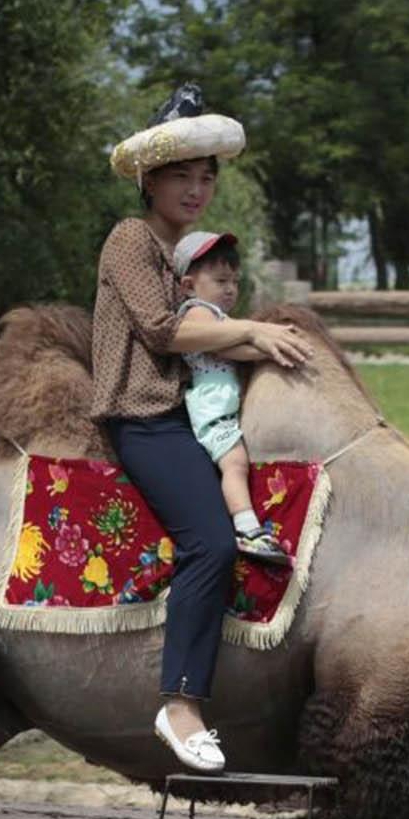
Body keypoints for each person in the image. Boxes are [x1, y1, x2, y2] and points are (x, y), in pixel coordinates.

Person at [95, 81, 315, 774]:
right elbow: (165, 331)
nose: (196, 189)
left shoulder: (177, 255)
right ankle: (181, 703)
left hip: (183, 417)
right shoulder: (131, 240)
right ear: (149, 180)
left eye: (205, 177)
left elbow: (212, 338)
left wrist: (274, 344)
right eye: (180, 176)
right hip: (145, 419)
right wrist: (252, 328)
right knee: (212, 543)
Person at [172, 228, 290, 566]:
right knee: (234, 463)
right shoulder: (197, 313)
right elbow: (231, 347)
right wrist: (267, 348)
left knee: (235, 462)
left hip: (220, 402)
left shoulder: (218, 317)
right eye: (221, 280)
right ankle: (247, 527)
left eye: (234, 281)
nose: (230, 289)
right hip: (212, 406)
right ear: (189, 285)